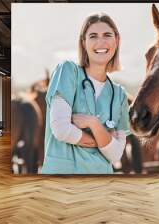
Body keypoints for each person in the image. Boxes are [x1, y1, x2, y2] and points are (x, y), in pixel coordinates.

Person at [41, 12, 131, 174]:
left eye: (107, 35)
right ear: (83, 42)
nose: (100, 42)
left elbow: (116, 154)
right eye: (93, 36)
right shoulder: (67, 71)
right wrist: (102, 140)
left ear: (116, 40)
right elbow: (62, 129)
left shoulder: (120, 95)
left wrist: (93, 123)